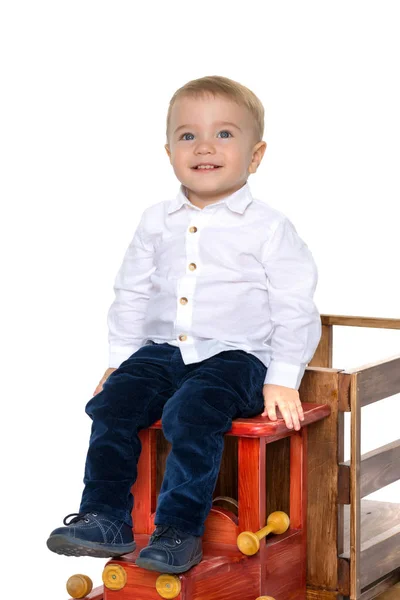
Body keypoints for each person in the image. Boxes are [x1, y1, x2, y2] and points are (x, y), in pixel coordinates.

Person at [46, 75, 321, 574]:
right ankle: (106, 517)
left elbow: (294, 303)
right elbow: (130, 293)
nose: (205, 147)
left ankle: (179, 529)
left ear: (255, 156)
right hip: (162, 349)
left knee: (190, 413)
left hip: (237, 356)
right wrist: (119, 361)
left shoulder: (268, 227)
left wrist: (283, 373)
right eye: (188, 135)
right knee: (113, 404)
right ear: (169, 150)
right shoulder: (156, 220)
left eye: (224, 134)